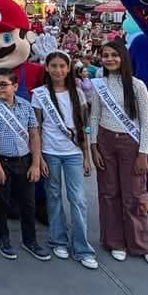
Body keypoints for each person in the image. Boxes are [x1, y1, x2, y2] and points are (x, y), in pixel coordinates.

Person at [89, 41, 148, 266]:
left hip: (131, 144)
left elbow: (146, 122)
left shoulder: (137, 85)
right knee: (108, 193)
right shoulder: (99, 83)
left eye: (114, 55)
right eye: (105, 55)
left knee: (134, 196)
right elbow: (94, 116)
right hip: (105, 141)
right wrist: (93, 146)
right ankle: (114, 242)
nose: (109, 59)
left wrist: (143, 153)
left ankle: (139, 244)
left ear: (123, 57)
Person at [32, 51, 98, 269]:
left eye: (62, 66)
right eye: (54, 66)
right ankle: (58, 240)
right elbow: (36, 129)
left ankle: (82, 248)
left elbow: (85, 127)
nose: (58, 70)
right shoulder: (39, 94)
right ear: (47, 68)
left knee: (78, 199)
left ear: (69, 68)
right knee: (53, 196)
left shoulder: (78, 93)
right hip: (50, 152)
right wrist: (39, 158)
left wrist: (86, 156)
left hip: (74, 153)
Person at [0, 68, 50, 261]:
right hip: (2, 161)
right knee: (2, 202)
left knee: (28, 203)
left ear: (15, 86)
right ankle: (2, 238)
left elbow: (34, 135)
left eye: (3, 84)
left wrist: (35, 164)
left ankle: (30, 240)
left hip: (25, 160)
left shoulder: (26, 106)